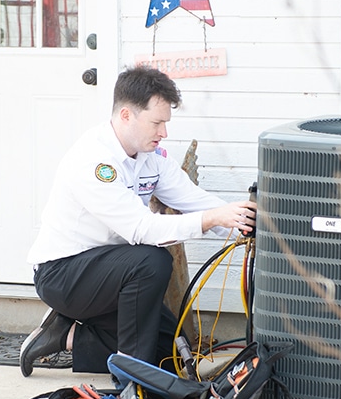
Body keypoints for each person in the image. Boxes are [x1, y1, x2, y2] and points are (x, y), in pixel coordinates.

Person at [21, 67, 257, 376]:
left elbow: (193, 199)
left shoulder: (152, 157)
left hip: (115, 276)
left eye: (166, 123)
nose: (164, 133)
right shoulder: (93, 160)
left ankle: (65, 336)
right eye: (157, 123)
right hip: (63, 274)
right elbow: (141, 230)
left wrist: (241, 220)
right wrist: (211, 219)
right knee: (151, 261)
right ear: (126, 116)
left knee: (171, 352)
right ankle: (134, 378)